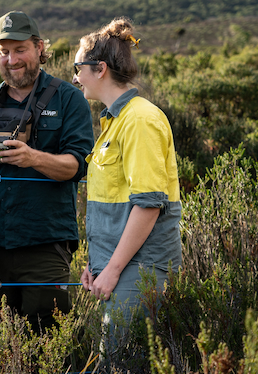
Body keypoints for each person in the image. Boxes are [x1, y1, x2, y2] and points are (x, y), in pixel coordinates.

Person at [0, 10, 93, 333]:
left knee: (47, 339)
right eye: (3, 51)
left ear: (39, 48)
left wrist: (32, 158)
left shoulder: (69, 99)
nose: (12, 59)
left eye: (20, 49)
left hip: (44, 246)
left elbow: (75, 165)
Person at [73, 18, 182, 350]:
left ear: (100, 68)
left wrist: (113, 269)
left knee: (121, 360)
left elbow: (148, 204)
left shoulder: (139, 120)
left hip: (140, 267)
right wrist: (97, 265)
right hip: (119, 267)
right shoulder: (115, 120)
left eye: (78, 67)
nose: (75, 77)